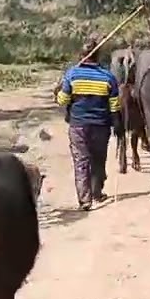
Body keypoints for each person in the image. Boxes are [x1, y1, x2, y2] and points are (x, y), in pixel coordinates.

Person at [55, 34, 123, 210]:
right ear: (97, 56)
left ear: (81, 55)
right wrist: (118, 125)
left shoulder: (72, 75)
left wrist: (57, 91)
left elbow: (62, 101)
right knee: (98, 159)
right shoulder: (108, 77)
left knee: (81, 161)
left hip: (78, 126)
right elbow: (115, 106)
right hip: (101, 126)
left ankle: (85, 200)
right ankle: (96, 192)